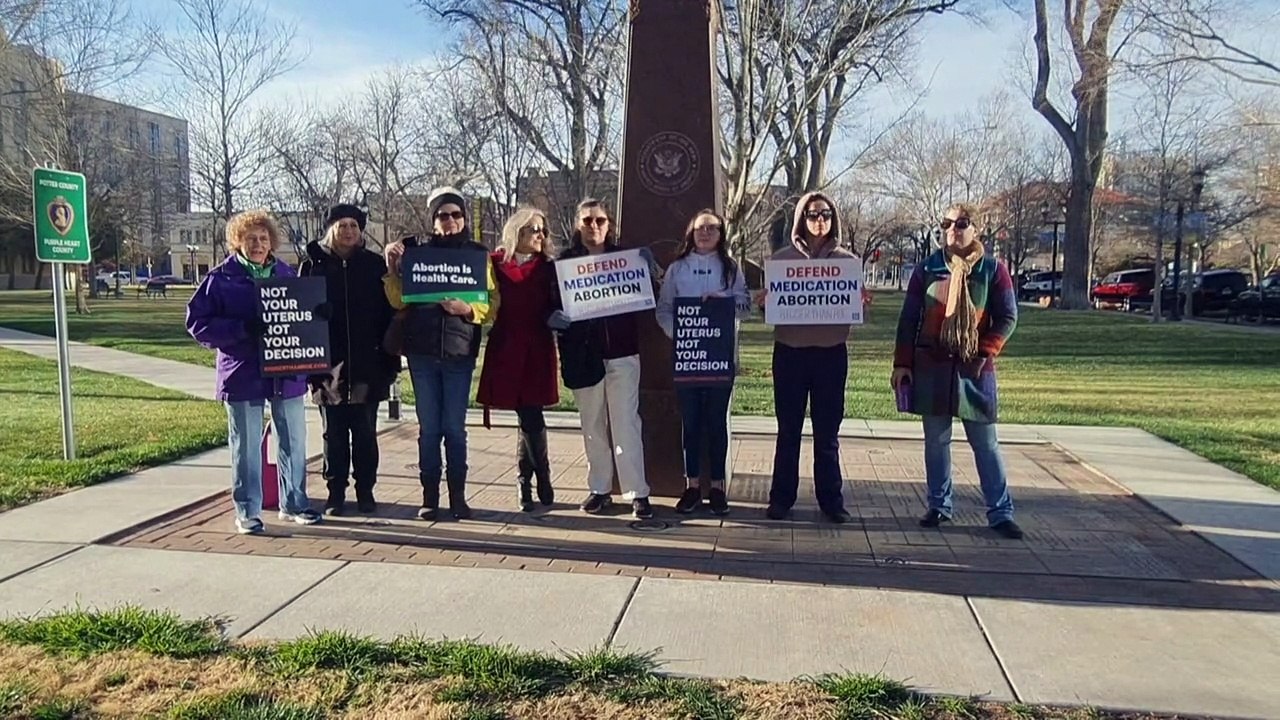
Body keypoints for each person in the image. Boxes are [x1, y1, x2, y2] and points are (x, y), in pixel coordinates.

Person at [891, 202, 1023, 540]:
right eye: (947, 223)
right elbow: (909, 320)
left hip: (974, 367)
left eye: (961, 223)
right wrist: (903, 364)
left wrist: (984, 350)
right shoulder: (927, 269)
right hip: (931, 365)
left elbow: (1007, 317)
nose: (953, 229)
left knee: (986, 443)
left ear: (975, 228)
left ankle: (1000, 512)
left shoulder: (993, 270)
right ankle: (939, 505)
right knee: (936, 442)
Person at [185, 209, 321, 534]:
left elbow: (305, 319)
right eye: (251, 239)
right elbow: (197, 323)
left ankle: (295, 502)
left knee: (294, 441)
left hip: (286, 374)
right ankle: (247, 510)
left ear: (271, 241)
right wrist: (241, 329)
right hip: (242, 374)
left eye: (263, 238)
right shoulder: (220, 279)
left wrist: (318, 319)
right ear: (237, 242)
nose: (258, 244)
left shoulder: (287, 274)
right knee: (245, 446)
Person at [383, 187, 497, 521]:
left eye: (456, 214)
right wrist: (393, 267)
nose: (450, 220)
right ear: (433, 220)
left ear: (463, 218)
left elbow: (490, 305)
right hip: (421, 352)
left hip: (460, 353)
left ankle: (458, 497)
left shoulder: (478, 254)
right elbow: (399, 301)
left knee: (454, 428)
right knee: (429, 428)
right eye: (443, 215)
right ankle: (430, 496)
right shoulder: (417, 252)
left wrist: (468, 309)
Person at [549, 198, 655, 519]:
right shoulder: (564, 263)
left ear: (609, 225)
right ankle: (599, 489)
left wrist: (651, 269)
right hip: (583, 354)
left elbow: (651, 294)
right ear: (577, 224)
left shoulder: (626, 260)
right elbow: (549, 302)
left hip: (622, 352)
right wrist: (552, 316)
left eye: (600, 220)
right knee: (592, 424)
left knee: (626, 423)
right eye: (587, 221)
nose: (594, 226)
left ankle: (637, 492)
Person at [759, 192, 856, 524]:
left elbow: (856, 311)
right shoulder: (780, 261)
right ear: (801, 218)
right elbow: (768, 312)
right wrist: (764, 303)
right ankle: (781, 498)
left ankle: (831, 500)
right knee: (788, 431)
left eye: (826, 214)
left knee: (827, 433)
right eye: (813, 214)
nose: (820, 220)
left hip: (831, 354)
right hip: (790, 354)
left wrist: (861, 301)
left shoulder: (847, 262)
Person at [299, 204, 398, 517]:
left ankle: (365, 491)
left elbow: (389, 313)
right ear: (331, 228)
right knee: (334, 434)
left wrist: (390, 357)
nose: (348, 231)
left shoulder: (373, 265)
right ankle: (335, 493)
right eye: (342, 225)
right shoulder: (313, 266)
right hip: (327, 366)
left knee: (366, 433)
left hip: (369, 363)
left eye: (354, 225)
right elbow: (298, 315)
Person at [655, 209, 750, 516]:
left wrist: (725, 301)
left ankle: (718, 487)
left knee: (717, 423)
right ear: (691, 234)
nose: (705, 233)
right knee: (691, 423)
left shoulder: (731, 268)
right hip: (687, 360)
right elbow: (664, 309)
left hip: (721, 360)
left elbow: (745, 306)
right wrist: (679, 335)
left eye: (712, 228)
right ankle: (692, 485)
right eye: (700, 229)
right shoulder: (677, 269)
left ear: (721, 234)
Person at [476, 207, 560, 512]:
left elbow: (559, 301)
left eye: (542, 230)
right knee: (525, 416)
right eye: (532, 229)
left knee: (531, 415)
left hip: (537, 347)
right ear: (516, 232)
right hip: (507, 345)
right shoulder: (495, 263)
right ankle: (534, 479)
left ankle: (532, 480)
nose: (539, 235)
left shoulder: (550, 267)